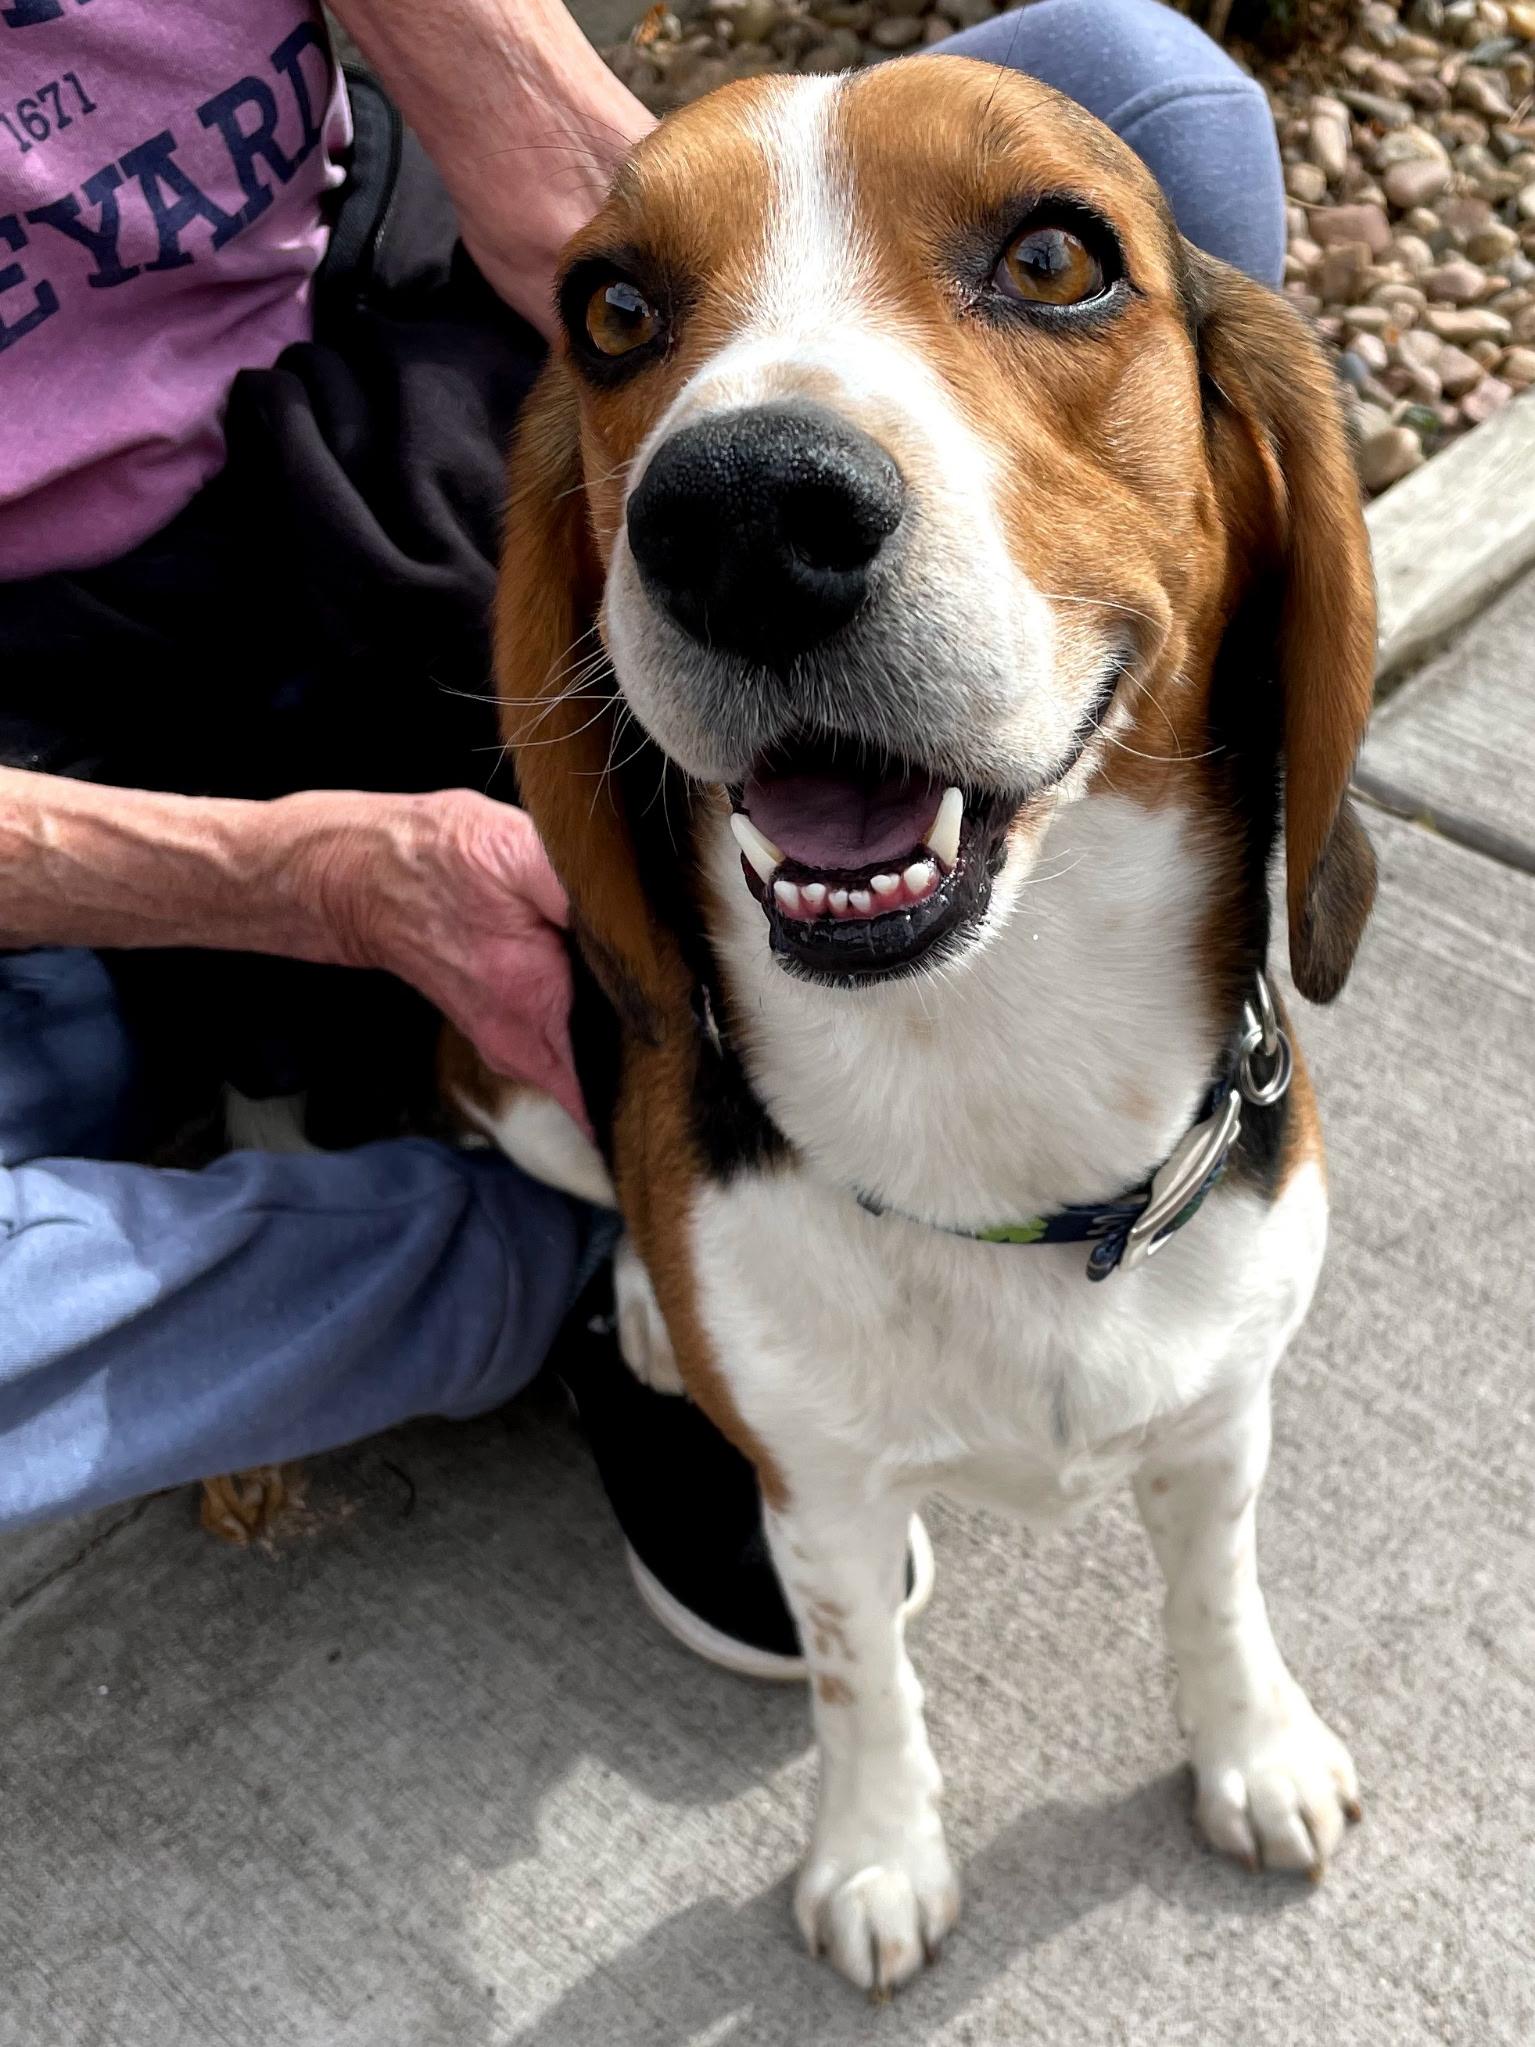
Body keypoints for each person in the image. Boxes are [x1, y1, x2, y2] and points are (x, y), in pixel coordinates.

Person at [0, 0, 1283, 1665]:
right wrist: (290, 880)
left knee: (1143, 94)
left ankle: (1061, 884)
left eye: (1038, 277)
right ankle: (597, 1257)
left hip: (347, 369)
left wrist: (527, 118)